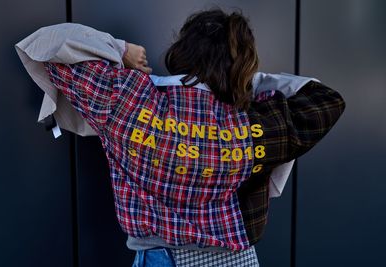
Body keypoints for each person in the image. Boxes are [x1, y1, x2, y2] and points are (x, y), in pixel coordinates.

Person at [20, 8, 345, 267]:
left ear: (182, 49)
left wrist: (121, 50)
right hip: (237, 260)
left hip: (161, 258)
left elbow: (46, 44)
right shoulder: (253, 120)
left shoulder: (128, 98)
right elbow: (326, 100)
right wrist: (247, 80)